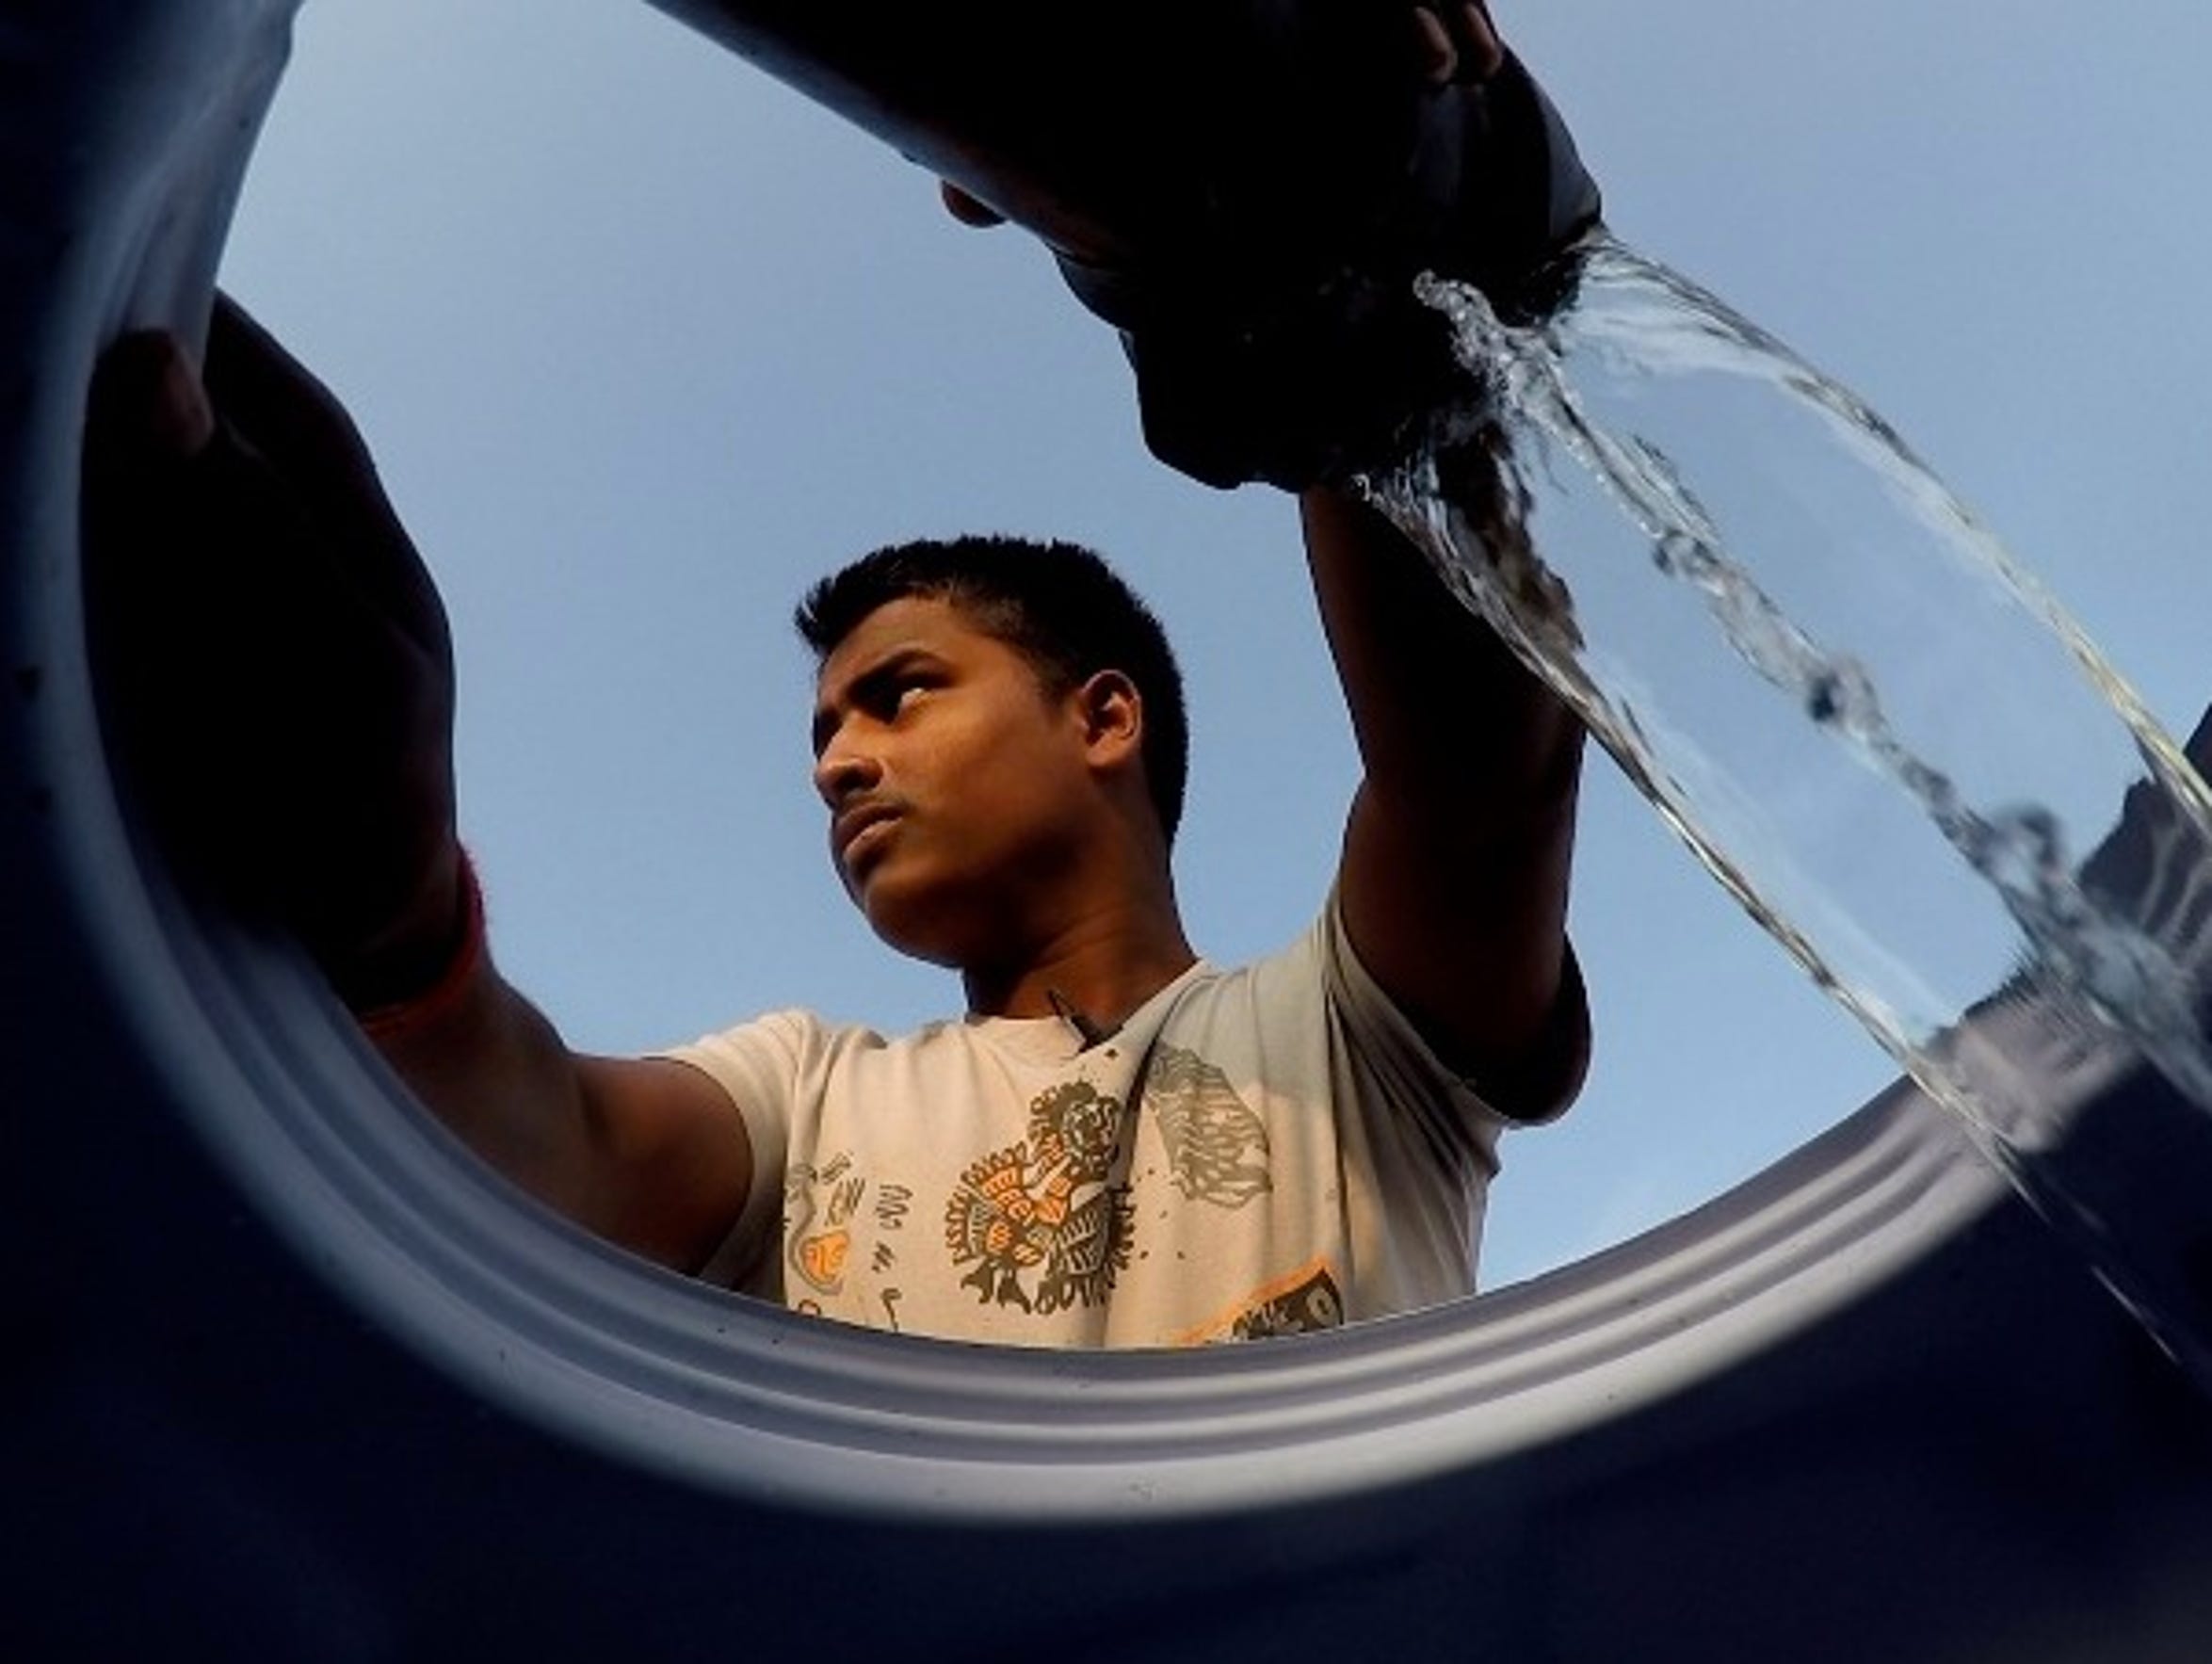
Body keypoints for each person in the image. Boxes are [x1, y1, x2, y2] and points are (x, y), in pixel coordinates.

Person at [80, 8, 1589, 1348]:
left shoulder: (1350, 1040)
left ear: (1103, 715)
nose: (835, 763)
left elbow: (1478, 773)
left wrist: (1349, 245)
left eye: (899, 693)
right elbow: (544, 1132)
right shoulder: (801, 1102)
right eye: (822, 732)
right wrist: (392, 907)